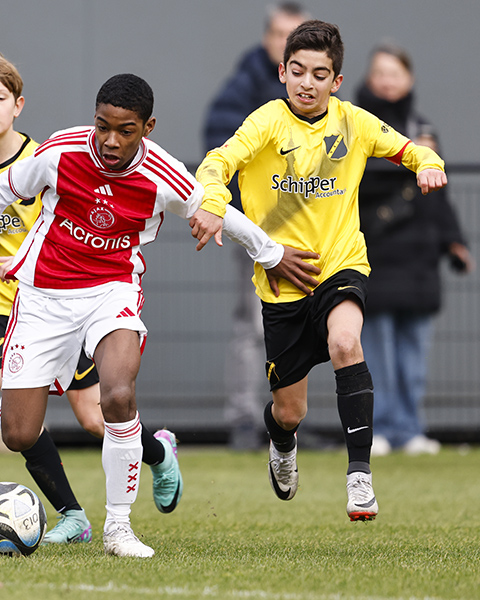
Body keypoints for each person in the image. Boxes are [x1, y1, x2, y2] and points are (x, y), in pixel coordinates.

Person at [0, 73, 313, 556]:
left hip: (111, 293)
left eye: (125, 130)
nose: (111, 140)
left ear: (147, 128)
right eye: (103, 126)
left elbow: (218, 208)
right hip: (43, 296)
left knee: (116, 396)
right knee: (18, 433)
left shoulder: (162, 173)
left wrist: (270, 252)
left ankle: (118, 528)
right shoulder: (60, 152)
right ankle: (156, 451)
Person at [195, 20, 449, 521]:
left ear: (336, 81)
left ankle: (360, 478)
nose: (306, 83)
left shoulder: (354, 122)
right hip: (282, 281)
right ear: (283, 73)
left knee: (346, 343)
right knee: (290, 411)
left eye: (319, 74)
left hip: (339, 264)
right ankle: (282, 441)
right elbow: (216, 163)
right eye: (297, 71)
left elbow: (410, 148)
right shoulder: (266, 122)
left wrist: (428, 162)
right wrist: (212, 201)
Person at [0, 55, 182, 545]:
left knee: (95, 417)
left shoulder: (50, 154)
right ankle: (72, 514)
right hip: (4, 305)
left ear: (18, 105)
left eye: (0, 97)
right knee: (16, 421)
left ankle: (157, 453)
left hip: (70, 299)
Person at [355, 43, 474, 456]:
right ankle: (379, 429)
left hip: (420, 258)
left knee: (414, 356)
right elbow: (355, 184)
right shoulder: (355, 125)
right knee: (374, 354)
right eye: (380, 73)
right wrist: (408, 155)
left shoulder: (423, 126)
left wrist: (455, 241)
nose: (387, 81)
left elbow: (439, 195)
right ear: (368, 78)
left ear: (409, 80)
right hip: (374, 254)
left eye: (395, 73)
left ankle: (410, 429)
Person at [203, 2, 309, 451]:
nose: (288, 44)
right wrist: (250, 218)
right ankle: (246, 420)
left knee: (303, 324)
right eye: (282, 35)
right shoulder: (246, 84)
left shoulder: (314, 92)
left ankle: (290, 419)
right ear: (268, 38)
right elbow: (220, 147)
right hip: (258, 230)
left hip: (308, 228)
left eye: (297, 36)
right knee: (254, 324)